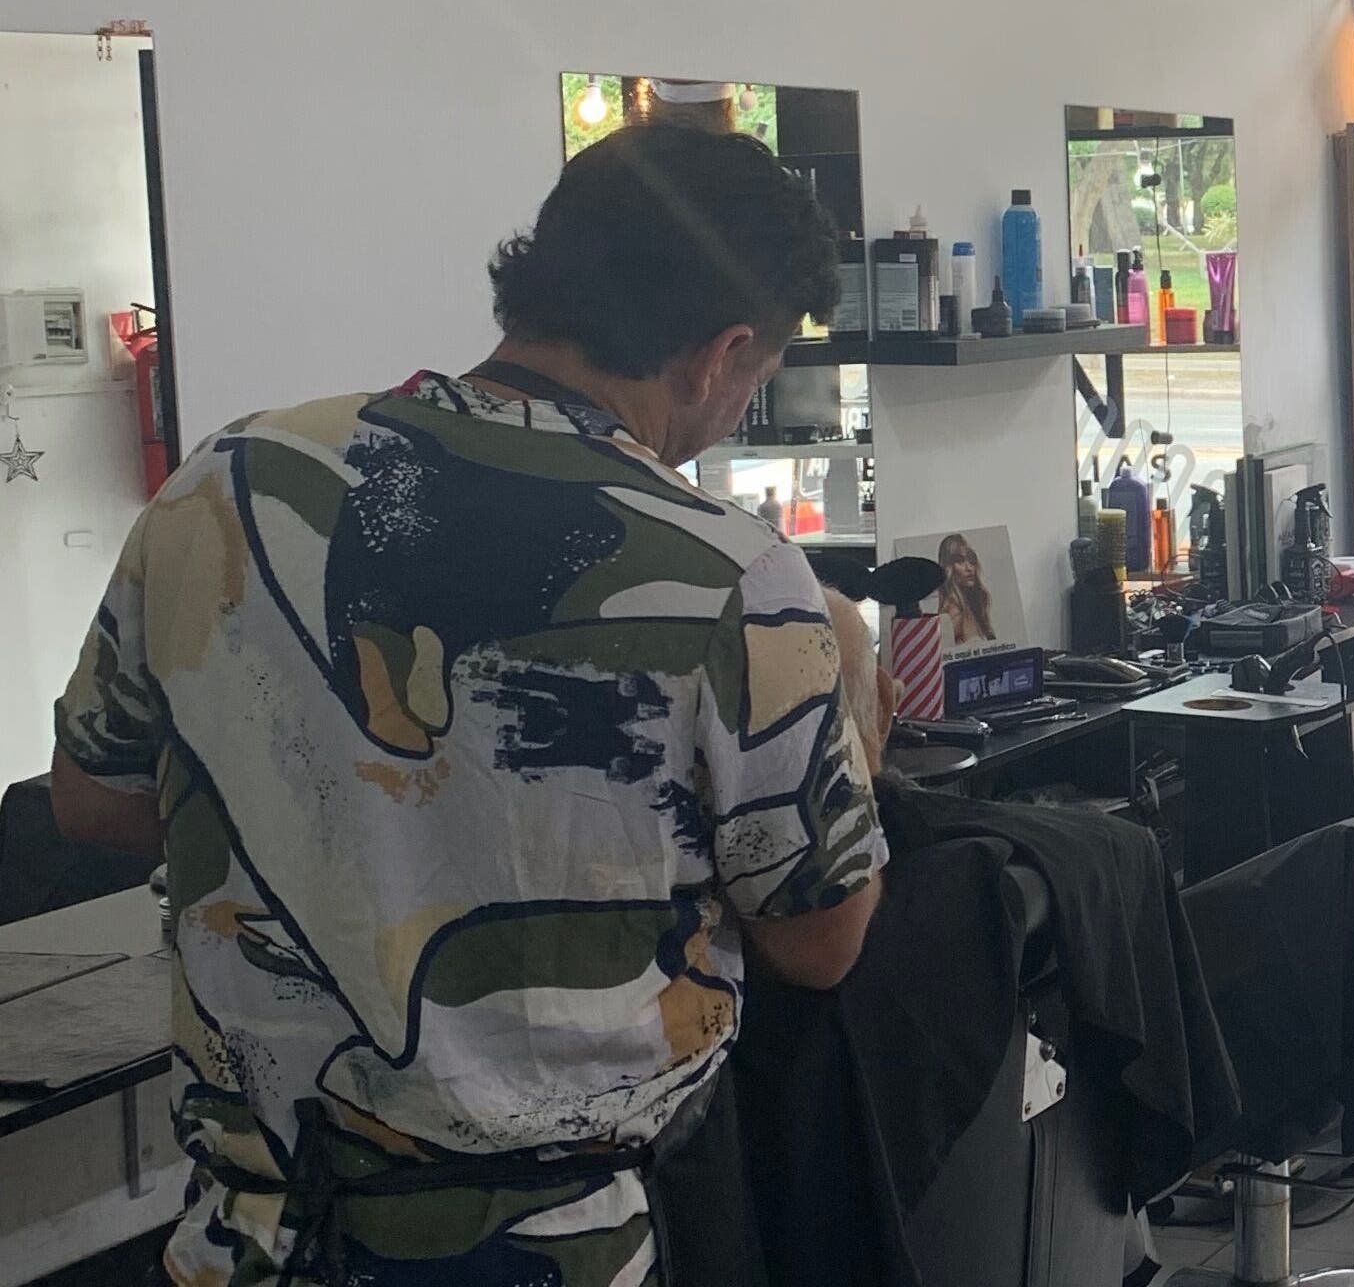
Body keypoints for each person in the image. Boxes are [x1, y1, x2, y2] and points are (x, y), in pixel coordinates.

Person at [49, 123, 883, 1285]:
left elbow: (91, 799)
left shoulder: (227, 480)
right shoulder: (729, 575)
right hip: (555, 1247)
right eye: (752, 380)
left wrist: (328, 819)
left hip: (250, 1240)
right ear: (721, 352)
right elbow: (822, 937)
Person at [937, 531, 998, 645]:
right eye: (959, 561)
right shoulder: (953, 611)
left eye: (971, 560)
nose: (969, 568)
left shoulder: (975, 607)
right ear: (948, 567)